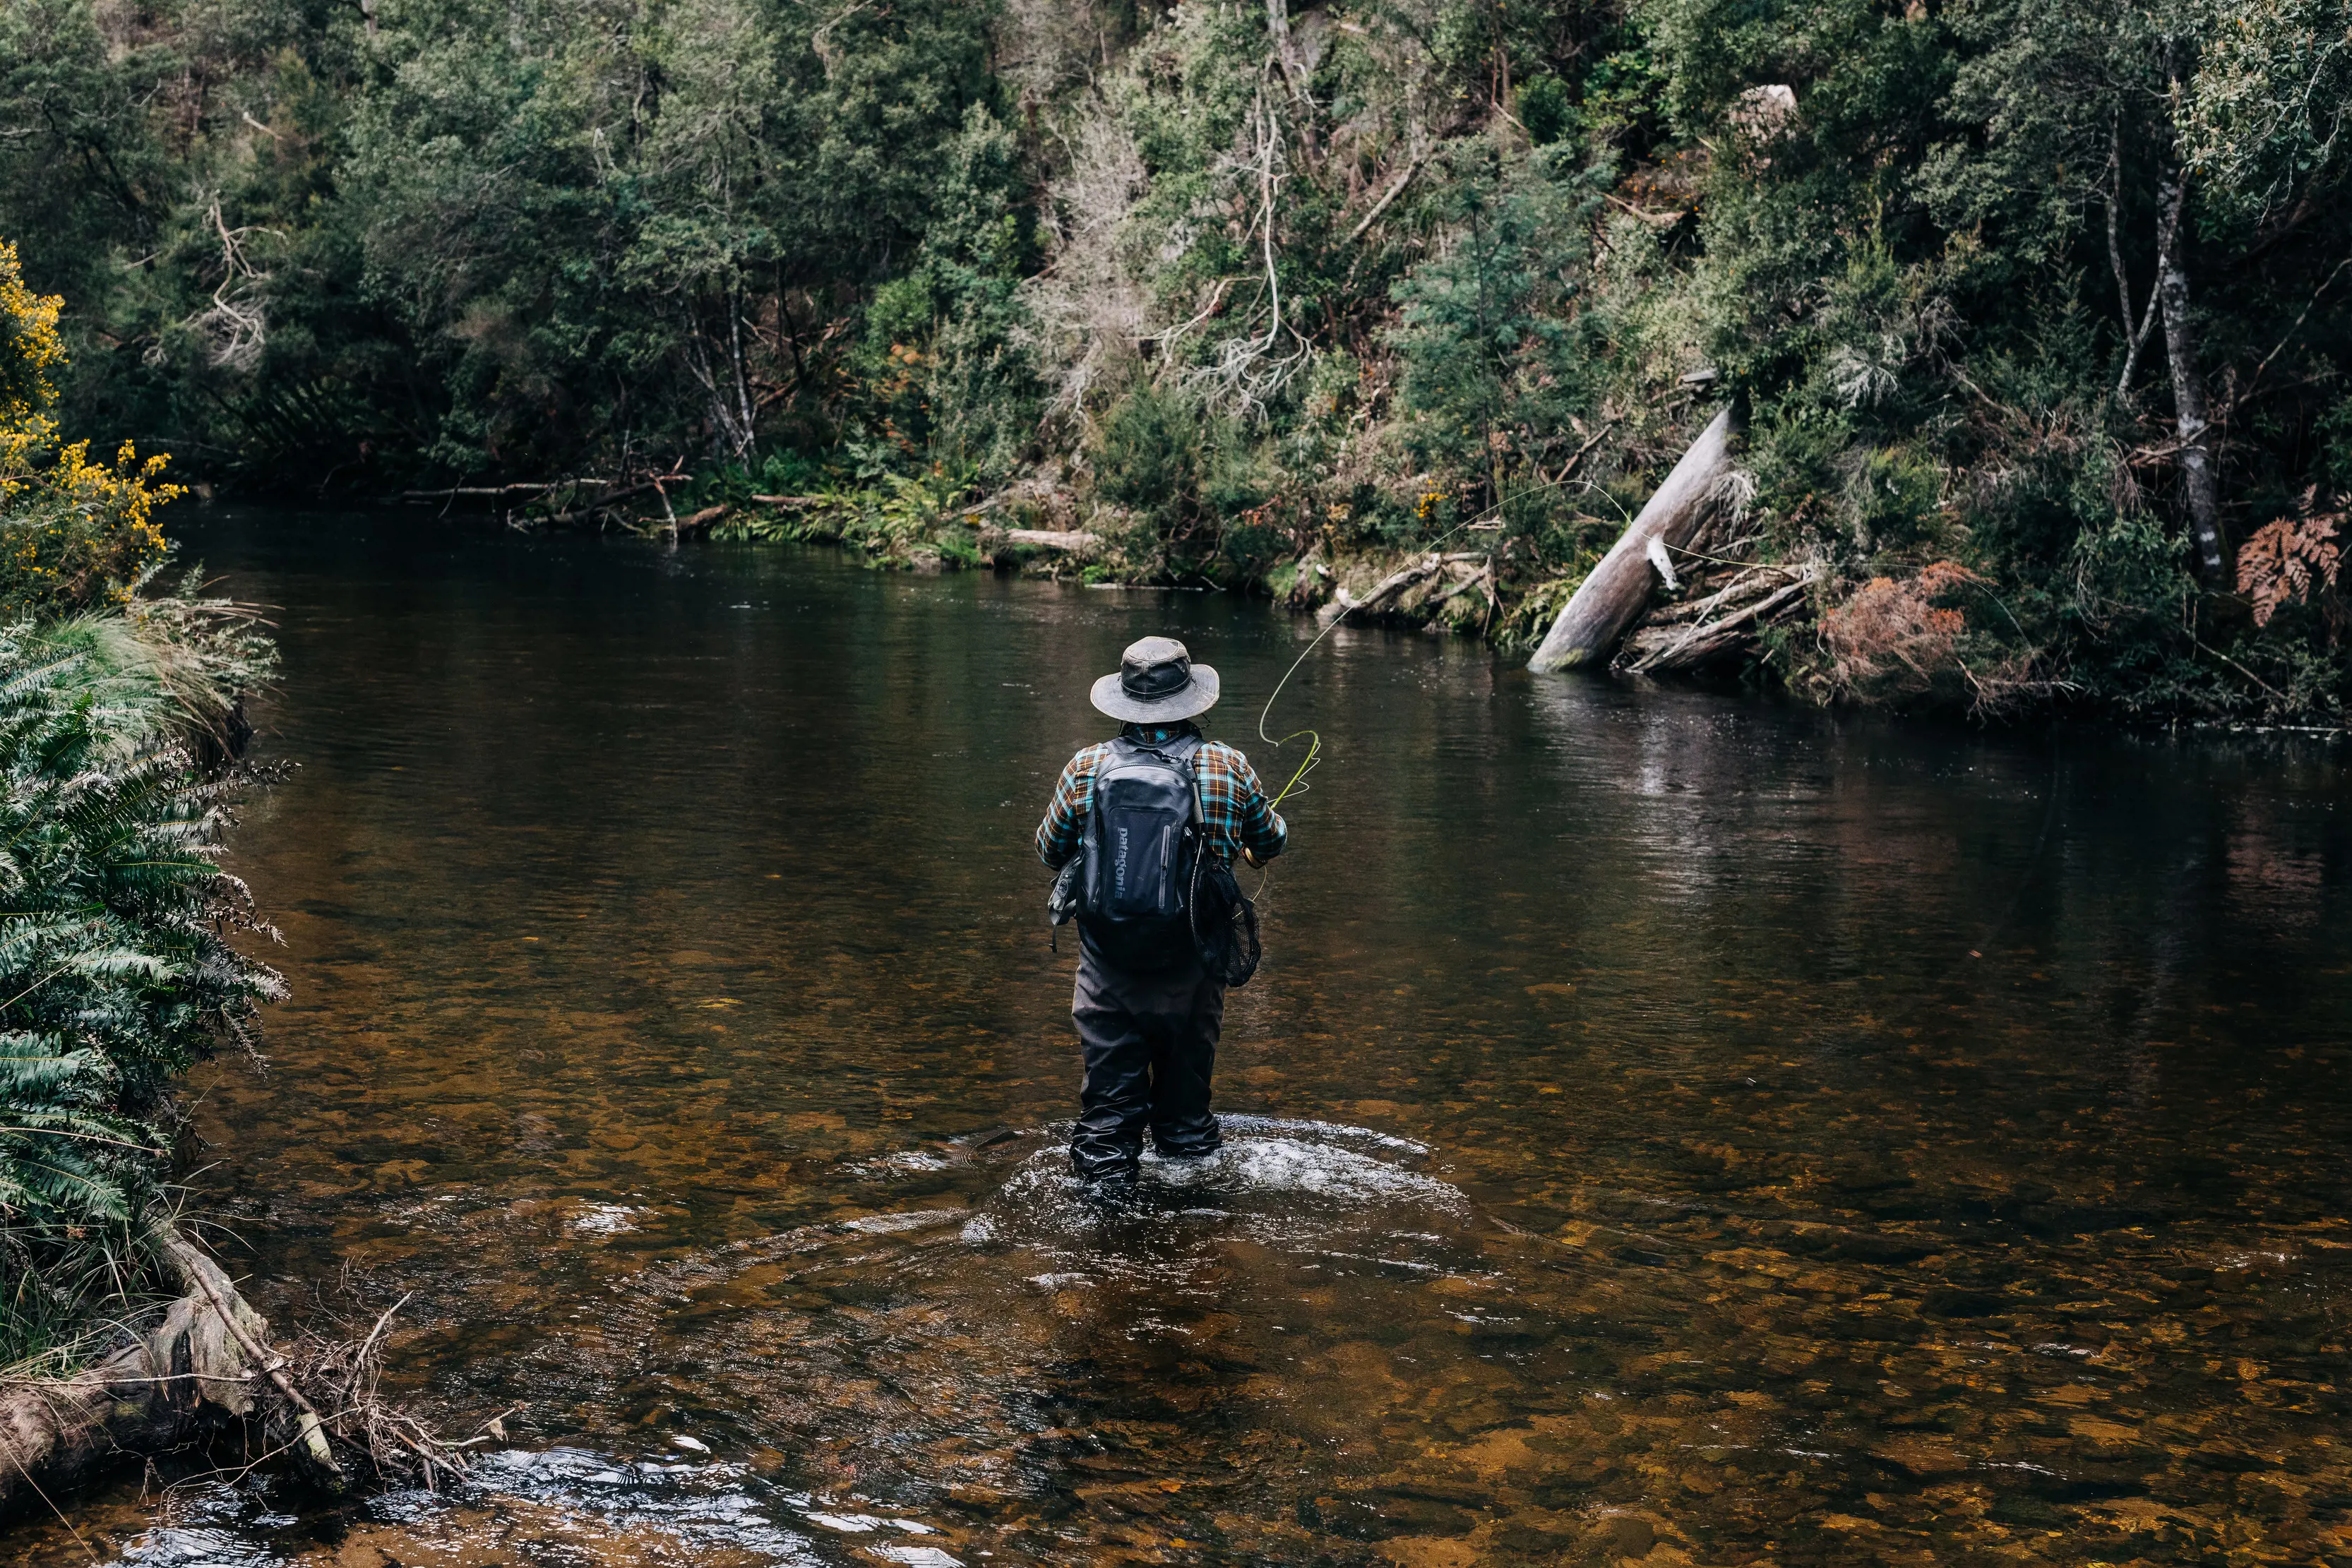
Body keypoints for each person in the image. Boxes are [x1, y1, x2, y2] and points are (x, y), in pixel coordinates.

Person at [1036, 636, 1288, 1187]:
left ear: (1123, 701)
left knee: (1106, 1129)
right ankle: (1193, 1238)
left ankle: (1103, 1246)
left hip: (1108, 972)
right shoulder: (1227, 764)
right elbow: (1271, 840)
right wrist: (1245, 845)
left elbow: (1049, 850)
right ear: (1193, 700)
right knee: (1186, 1124)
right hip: (1195, 968)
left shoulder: (1086, 766)